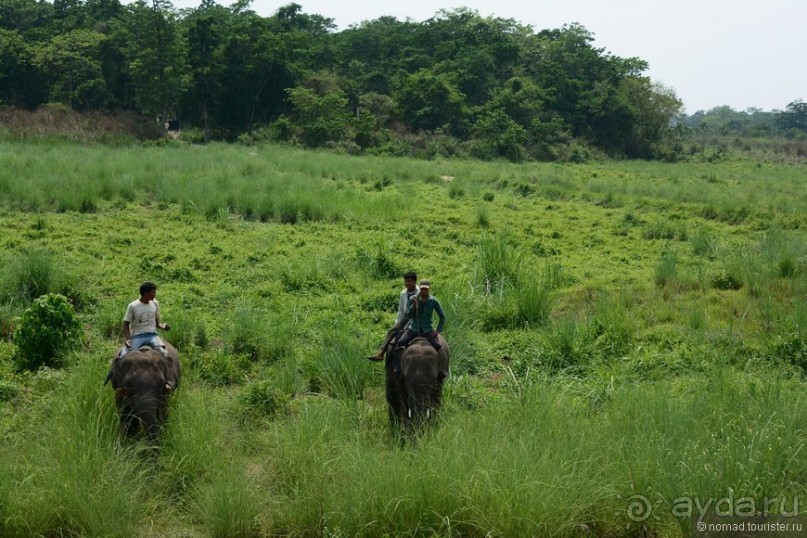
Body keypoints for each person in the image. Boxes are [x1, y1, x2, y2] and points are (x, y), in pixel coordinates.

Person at [367, 271, 419, 362]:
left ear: (414, 281)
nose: (407, 283)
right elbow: (401, 310)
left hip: (417, 319)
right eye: (405, 281)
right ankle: (381, 353)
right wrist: (397, 323)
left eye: (409, 281)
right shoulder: (403, 293)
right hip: (406, 318)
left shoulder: (420, 293)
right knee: (392, 331)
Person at [119, 281, 170, 359]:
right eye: (153, 292)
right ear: (146, 293)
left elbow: (157, 323)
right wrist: (128, 339)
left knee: (163, 353)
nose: (155, 294)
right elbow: (126, 324)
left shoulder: (155, 303)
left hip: (152, 335)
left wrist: (164, 327)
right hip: (137, 336)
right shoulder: (133, 306)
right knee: (124, 355)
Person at [395, 279, 445, 353]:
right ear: (419, 288)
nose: (424, 291)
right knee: (400, 342)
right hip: (414, 328)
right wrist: (413, 306)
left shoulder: (433, 301)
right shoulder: (412, 299)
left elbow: (442, 316)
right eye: (422, 289)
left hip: (427, 329)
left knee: (439, 347)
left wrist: (438, 330)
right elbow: (408, 315)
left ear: (429, 289)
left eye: (426, 289)